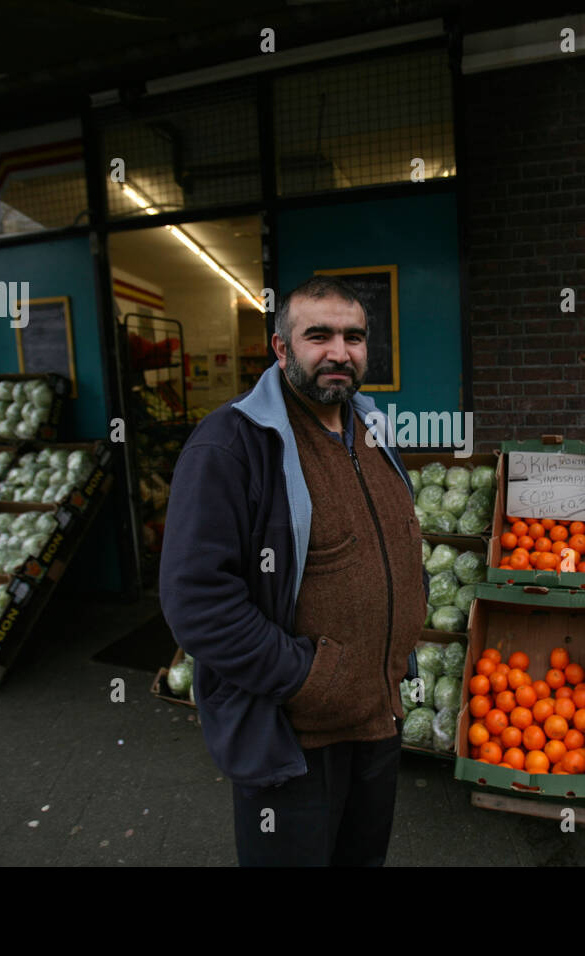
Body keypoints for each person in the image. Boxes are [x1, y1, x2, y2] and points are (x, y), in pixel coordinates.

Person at [159, 275, 427, 867]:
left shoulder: (373, 430)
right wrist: (309, 678)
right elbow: (196, 601)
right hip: (294, 737)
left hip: (376, 719)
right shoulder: (231, 444)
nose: (340, 352)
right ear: (281, 349)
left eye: (353, 337)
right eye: (318, 335)